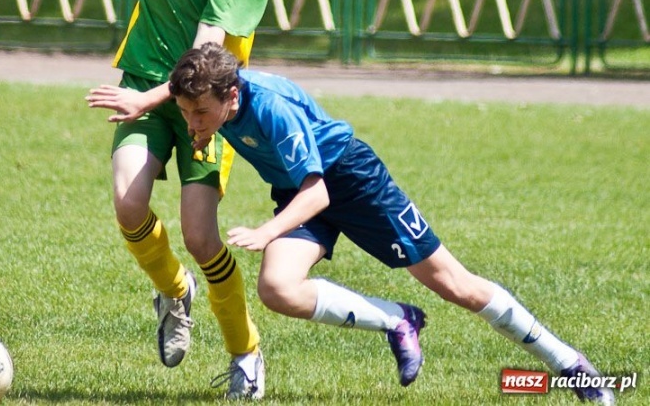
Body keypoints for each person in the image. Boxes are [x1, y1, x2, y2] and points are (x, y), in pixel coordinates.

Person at [166, 42, 616, 405]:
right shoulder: (213, 97)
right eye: (187, 113)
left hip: (351, 181)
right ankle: (398, 321)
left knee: (456, 285)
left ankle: (569, 364)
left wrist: (267, 232)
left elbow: (319, 193)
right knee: (278, 289)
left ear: (232, 95)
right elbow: (187, 104)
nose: (193, 122)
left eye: (200, 114)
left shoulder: (270, 109)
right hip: (298, 189)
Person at [58, 0, 270, 399]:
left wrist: (147, 100)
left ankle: (245, 352)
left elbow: (208, 49)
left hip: (206, 101)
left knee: (202, 236)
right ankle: (176, 292)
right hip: (146, 72)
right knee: (129, 204)